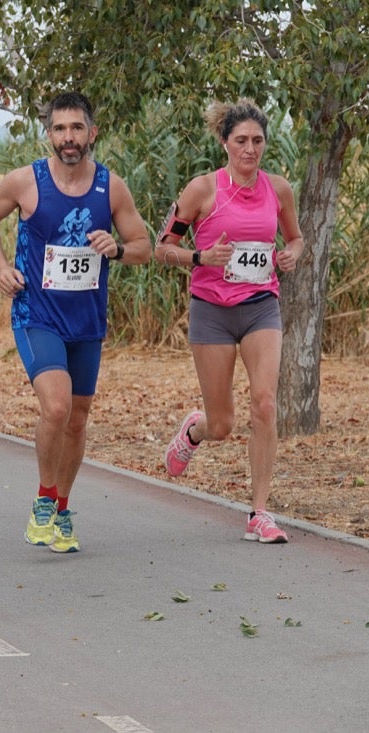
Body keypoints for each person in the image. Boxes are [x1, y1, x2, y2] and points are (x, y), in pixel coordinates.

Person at [0, 91, 151, 554]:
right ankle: (43, 499)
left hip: (87, 320)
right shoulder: (26, 182)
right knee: (56, 407)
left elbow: (143, 245)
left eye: (77, 128)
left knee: (77, 419)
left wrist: (117, 247)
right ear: (48, 133)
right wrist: (0, 268)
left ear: (92, 133)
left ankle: (63, 510)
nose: (68, 137)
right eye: (59, 128)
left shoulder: (110, 187)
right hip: (37, 314)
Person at [153, 98, 304, 544]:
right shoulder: (202, 190)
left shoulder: (278, 190)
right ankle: (195, 431)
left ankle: (260, 513)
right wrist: (201, 256)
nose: (250, 149)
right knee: (223, 425)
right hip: (212, 310)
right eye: (241, 140)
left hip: (261, 305)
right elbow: (162, 249)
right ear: (224, 143)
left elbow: (296, 239)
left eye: (258, 141)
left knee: (265, 403)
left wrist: (292, 253)